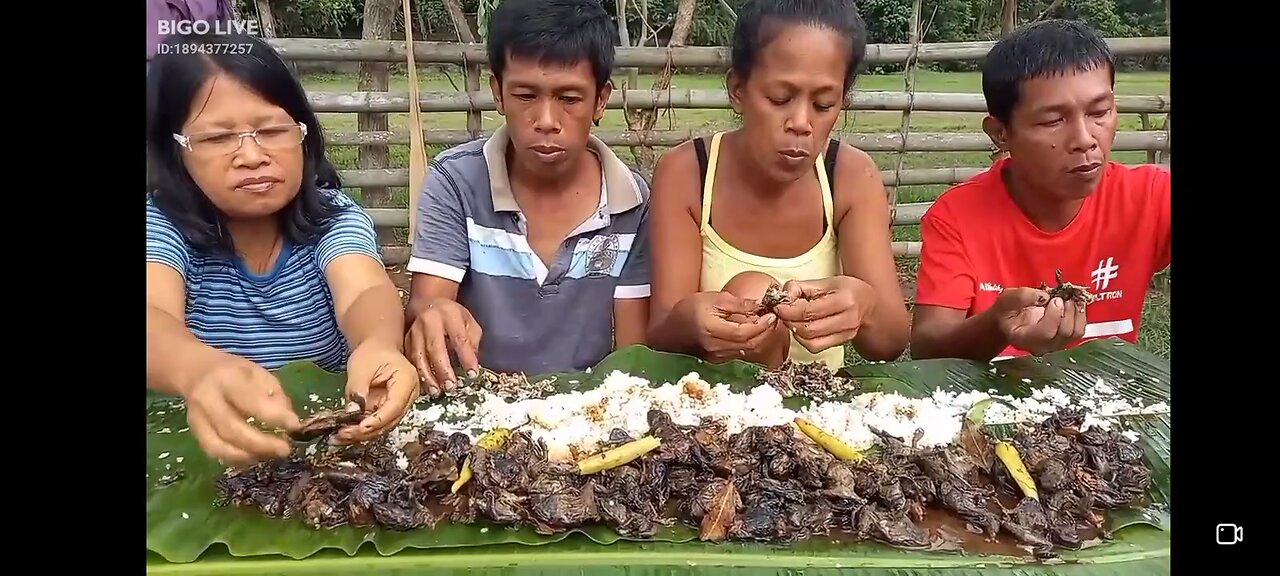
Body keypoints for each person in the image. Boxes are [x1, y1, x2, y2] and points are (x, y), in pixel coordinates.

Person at [146, 33, 420, 465]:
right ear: (174, 151)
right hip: (197, 455)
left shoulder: (332, 216)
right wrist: (196, 370)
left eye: (273, 130)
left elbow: (365, 289)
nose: (252, 156)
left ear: (303, 135)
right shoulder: (161, 227)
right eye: (218, 139)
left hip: (330, 450)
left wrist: (379, 344)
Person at [645, 0, 911, 370]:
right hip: (713, 406)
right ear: (738, 89)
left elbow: (890, 342)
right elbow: (660, 336)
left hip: (820, 406)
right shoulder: (688, 173)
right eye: (780, 99)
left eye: (823, 105)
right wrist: (690, 321)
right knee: (752, 291)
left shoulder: (849, 176)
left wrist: (863, 307)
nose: (801, 123)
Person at [404, 0, 651, 394]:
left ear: (601, 100)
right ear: (497, 93)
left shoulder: (633, 203)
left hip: (587, 410)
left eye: (569, 99)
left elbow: (632, 353)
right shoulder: (456, 182)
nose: (547, 121)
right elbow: (427, 304)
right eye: (525, 95)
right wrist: (434, 314)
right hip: (478, 402)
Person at [910, 19, 1171, 362]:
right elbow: (928, 350)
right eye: (1052, 121)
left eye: (1099, 112)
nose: (1084, 139)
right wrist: (995, 325)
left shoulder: (1151, 198)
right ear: (1001, 133)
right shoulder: (957, 217)